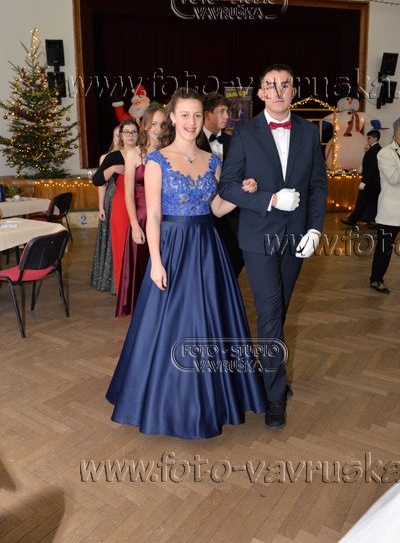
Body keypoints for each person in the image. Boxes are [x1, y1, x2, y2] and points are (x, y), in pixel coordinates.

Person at [106, 87, 268, 439]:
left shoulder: (213, 161)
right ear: (173, 117)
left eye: (196, 115)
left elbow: (217, 209)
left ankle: (213, 401)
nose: (191, 122)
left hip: (208, 248)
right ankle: (164, 402)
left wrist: (243, 193)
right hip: (172, 247)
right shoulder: (156, 160)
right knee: (169, 325)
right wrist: (156, 262)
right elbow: (153, 216)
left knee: (211, 322)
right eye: (185, 115)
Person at [219, 63, 328, 430]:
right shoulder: (243, 133)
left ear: (294, 91)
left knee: (279, 312)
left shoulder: (309, 132)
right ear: (261, 93)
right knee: (269, 313)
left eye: (285, 85)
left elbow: (317, 185)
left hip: (296, 237)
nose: (278, 91)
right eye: (271, 85)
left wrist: (315, 230)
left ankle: (268, 371)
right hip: (258, 238)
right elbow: (227, 187)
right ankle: (274, 395)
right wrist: (270, 199)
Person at [116, 103, 166, 317]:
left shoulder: (170, 153)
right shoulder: (134, 154)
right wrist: (135, 225)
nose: (158, 129)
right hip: (143, 219)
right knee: (143, 266)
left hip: (168, 218)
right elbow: (128, 193)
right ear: (144, 125)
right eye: (153, 124)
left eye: (162, 124)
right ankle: (144, 312)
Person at [199, 92, 244, 277]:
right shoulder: (193, 142)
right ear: (207, 114)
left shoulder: (234, 141)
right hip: (202, 212)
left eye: (227, 111)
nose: (227, 116)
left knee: (236, 256)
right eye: (222, 111)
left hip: (231, 211)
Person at [92, 118, 139, 294]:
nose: (130, 135)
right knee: (122, 245)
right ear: (121, 135)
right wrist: (112, 169)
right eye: (126, 132)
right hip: (120, 204)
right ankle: (124, 288)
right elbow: (97, 180)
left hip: (142, 202)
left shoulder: (144, 153)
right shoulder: (113, 156)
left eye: (134, 132)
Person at [369, 118, 400, 294]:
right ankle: (376, 279)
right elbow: (394, 179)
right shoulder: (385, 153)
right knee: (384, 250)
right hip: (391, 212)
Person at [91, 125, 122, 293]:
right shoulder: (106, 157)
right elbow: (101, 183)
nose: (120, 138)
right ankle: (110, 278)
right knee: (110, 236)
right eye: (117, 135)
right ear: (113, 138)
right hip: (112, 195)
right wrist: (100, 205)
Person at [341, 129, 381, 227]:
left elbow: (373, 168)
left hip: (372, 183)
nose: (368, 140)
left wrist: (365, 181)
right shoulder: (373, 149)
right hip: (370, 182)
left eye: (369, 138)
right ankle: (353, 220)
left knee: (375, 203)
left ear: (375, 138)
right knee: (363, 202)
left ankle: (380, 223)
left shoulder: (375, 150)